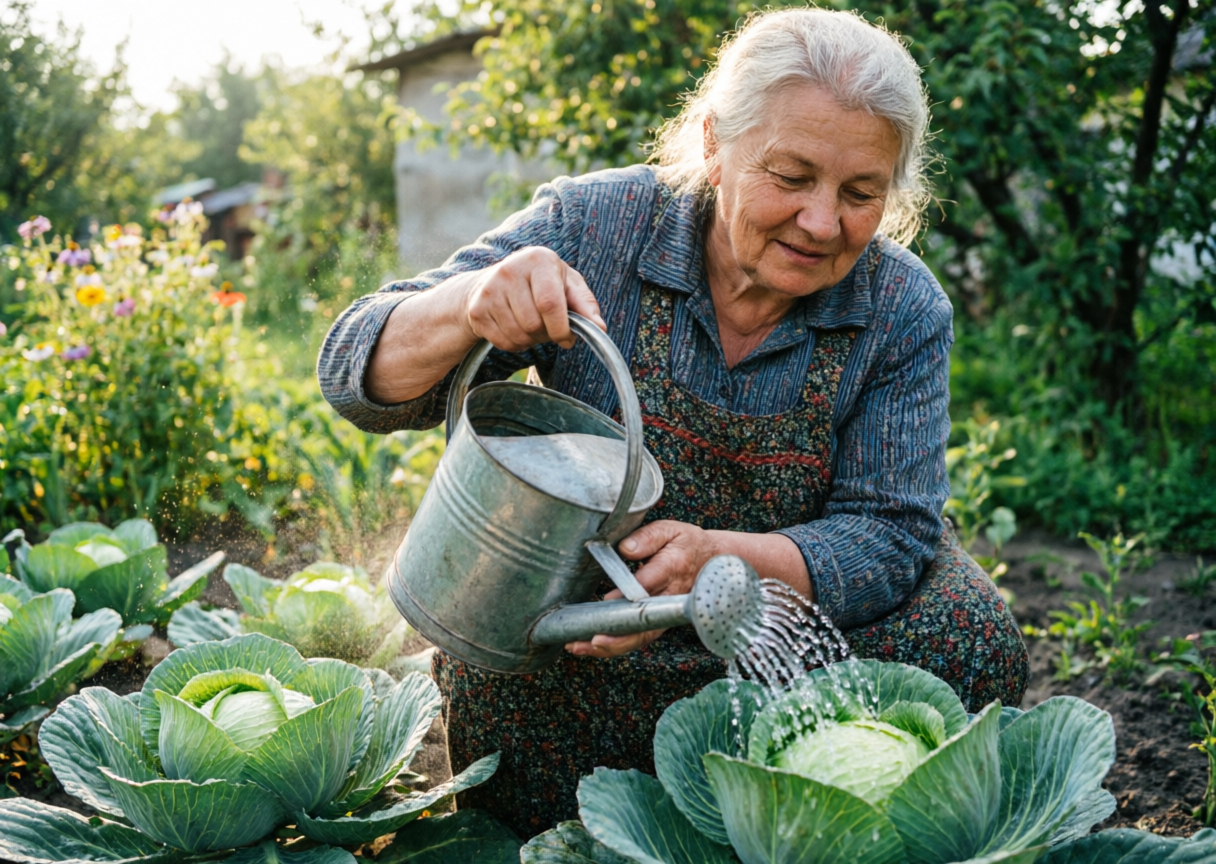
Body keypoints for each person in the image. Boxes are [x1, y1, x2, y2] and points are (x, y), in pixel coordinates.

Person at [318, 7, 1028, 836]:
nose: (822, 222)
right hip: (600, 622)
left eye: (860, 193)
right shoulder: (595, 228)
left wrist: (721, 561)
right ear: (715, 145)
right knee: (500, 655)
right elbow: (352, 374)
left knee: (971, 638)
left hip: (776, 621)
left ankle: (818, 809)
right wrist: (470, 304)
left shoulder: (901, 308)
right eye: (791, 176)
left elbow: (890, 534)